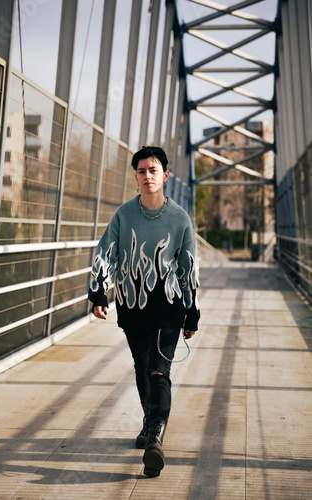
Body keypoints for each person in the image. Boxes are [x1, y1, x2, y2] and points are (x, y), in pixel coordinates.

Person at [88, 146, 200, 477]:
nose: (147, 176)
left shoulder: (180, 218)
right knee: (141, 367)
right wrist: (98, 292)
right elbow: (105, 252)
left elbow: (188, 267)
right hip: (132, 304)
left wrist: (191, 311)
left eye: (153, 170)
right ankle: (150, 422)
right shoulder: (124, 215)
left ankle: (155, 440)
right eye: (141, 171)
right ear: (135, 176)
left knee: (158, 371)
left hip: (168, 306)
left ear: (165, 175)